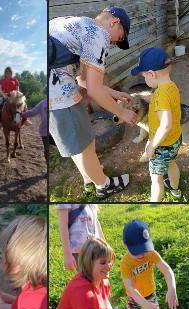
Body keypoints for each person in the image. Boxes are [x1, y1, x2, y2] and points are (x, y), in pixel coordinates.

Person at [49, 7, 139, 199]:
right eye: (120, 37)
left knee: (76, 143)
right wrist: (122, 113)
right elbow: (94, 91)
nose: (115, 42)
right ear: (114, 22)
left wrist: (115, 93)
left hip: (48, 91)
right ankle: (104, 185)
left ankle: (89, 176)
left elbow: (83, 81)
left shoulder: (80, 23)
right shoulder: (98, 35)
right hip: (58, 93)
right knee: (87, 144)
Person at [131, 48, 182, 201]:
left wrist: (151, 145)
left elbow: (165, 125)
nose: (144, 78)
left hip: (161, 146)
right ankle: (175, 190)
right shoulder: (171, 86)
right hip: (175, 139)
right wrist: (148, 97)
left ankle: (154, 203)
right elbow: (165, 101)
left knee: (156, 180)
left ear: (152, 74)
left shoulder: (160, 95)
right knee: (172, 164)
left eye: (144, 75)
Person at [120, 220, 179, 309]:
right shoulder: (125, 263)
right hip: (134, 297)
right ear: (125, 245)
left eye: (144, 249)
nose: (141, 255)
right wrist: (144, 304)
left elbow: (167, 270)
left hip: (150, 293)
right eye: (137, 251)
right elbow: (130, 287)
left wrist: (172, 289)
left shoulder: (151, 254)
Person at [57, 204, 106, 271]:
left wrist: (104, 244)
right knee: (87, 276)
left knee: (99, 273)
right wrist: (67, 255)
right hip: (79, 250)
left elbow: (95, 221)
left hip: (95, 246)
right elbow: (63, 224)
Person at [20, 86, 48, 162]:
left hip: (58, 129)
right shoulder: (42, 103)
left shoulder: (59, 102)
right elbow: (32, 112)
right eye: (47, 93)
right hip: (45, 131)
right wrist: (20, 114)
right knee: (47, 150)